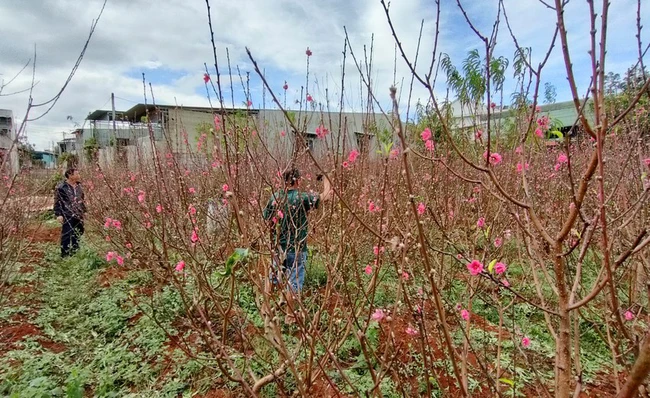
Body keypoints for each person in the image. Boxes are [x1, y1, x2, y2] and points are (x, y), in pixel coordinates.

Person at [263, 168, 332, 301]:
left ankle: (266, 309)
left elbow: (267, 219)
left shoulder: (275, 197)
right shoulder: (302, 198)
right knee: (294, 283)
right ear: (298, 181)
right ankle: (289, 317)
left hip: (278, 246)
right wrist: (326, 178)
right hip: (297, 248)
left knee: (272, 276)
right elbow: (326, 196)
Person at [53, 168, 86, 257]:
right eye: (77, 174)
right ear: (70, 175)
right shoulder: (61, 187)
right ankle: (65, 254)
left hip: (79, 213)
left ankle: (75, 251)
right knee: (67, 234)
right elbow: (57, 201)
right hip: (67, 214)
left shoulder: (79, 186)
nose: (79, 176)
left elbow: (82, 199)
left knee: (78, 232)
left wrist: (84, 211)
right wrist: (58, 214)